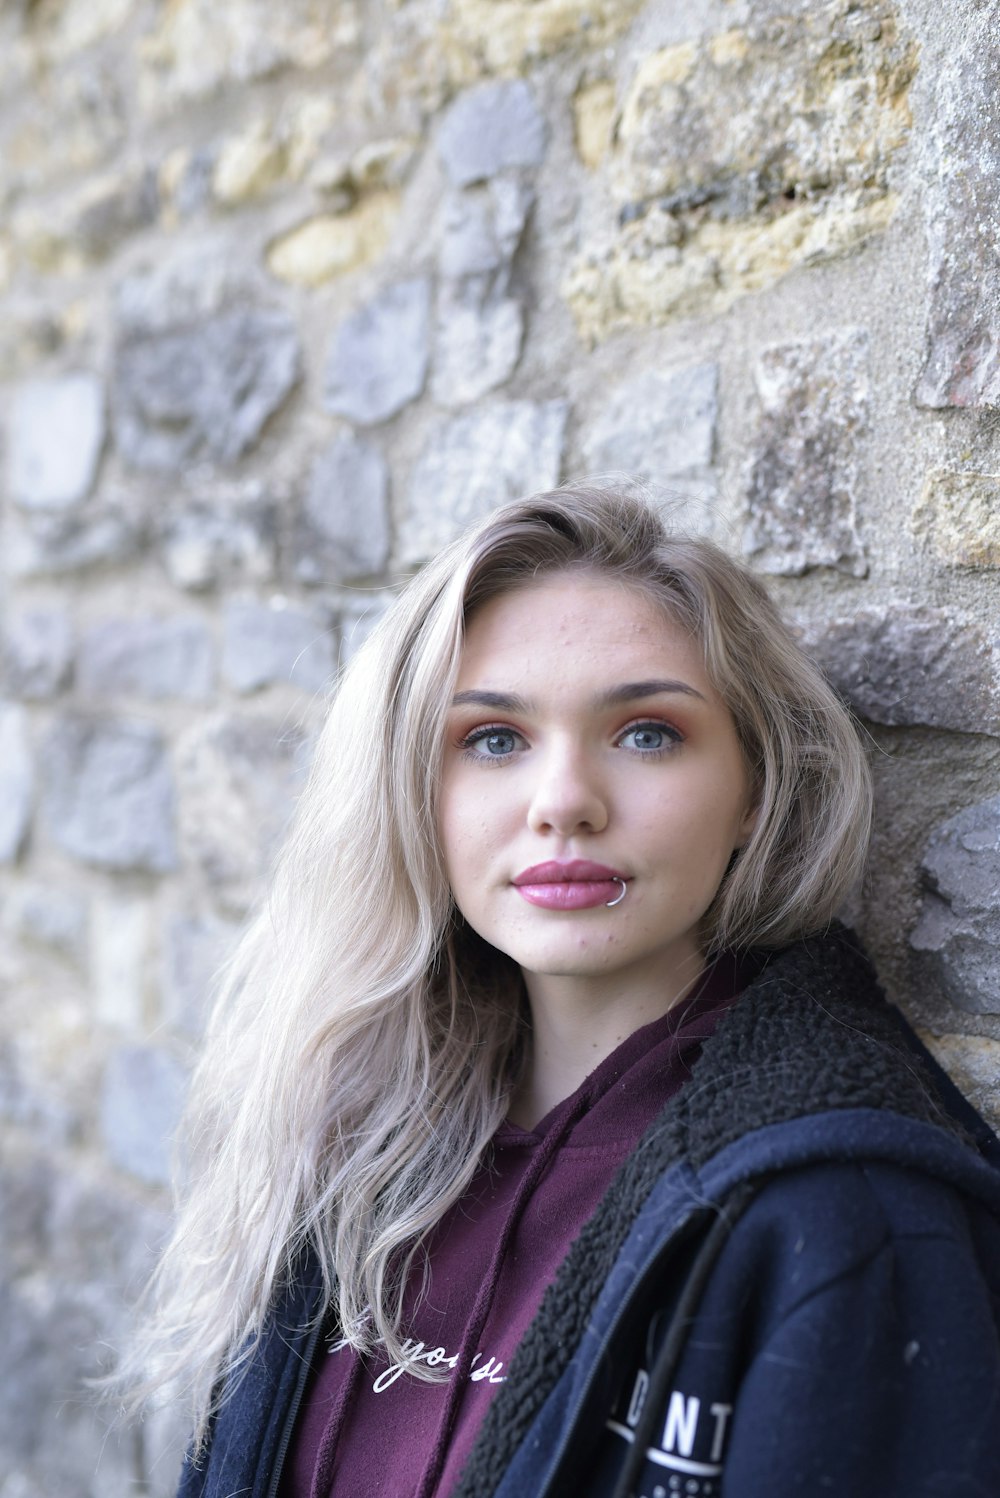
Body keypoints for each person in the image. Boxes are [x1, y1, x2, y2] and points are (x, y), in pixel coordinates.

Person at [124, 484, 1000, 1497]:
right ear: (415, 789)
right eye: (493, 739)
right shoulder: (355, 1146)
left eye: (645, 732)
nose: (564, 803)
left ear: (753, 789)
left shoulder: (844, 1214)